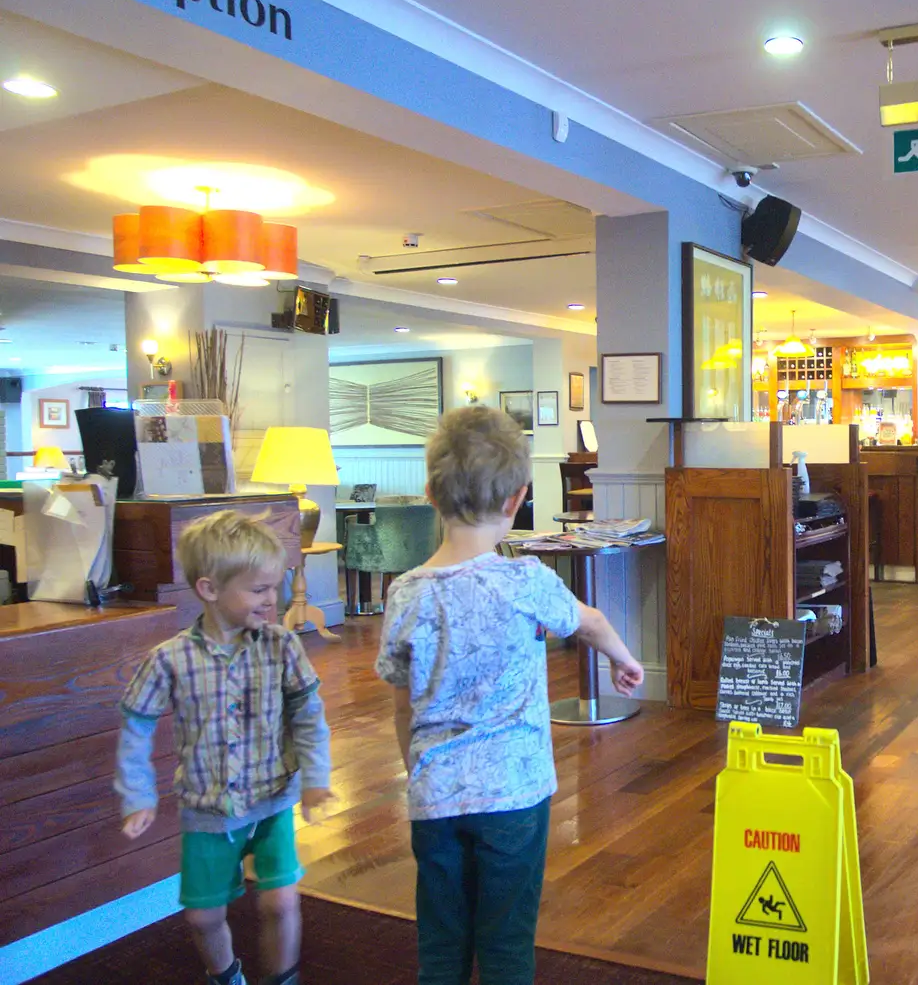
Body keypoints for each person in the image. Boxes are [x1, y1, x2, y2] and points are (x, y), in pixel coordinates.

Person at [375, 405, 645, 984]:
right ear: (517, 499)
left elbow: (402, 707)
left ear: (429, 492)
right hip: (515, 795)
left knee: (441, 945)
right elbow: (590, 622)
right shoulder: (526, 579)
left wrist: (420, 770)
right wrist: (623, 659)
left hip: (435, 796)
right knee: (505, 945)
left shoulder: (404, 594)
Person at [116, 510, 333, 985]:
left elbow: (309, 715)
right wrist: (137, 794)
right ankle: (226, 975)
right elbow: (136, 725)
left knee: (280, 900)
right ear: (210, 590)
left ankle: (282, 978)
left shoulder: (282, 646)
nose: (271, 600)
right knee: (203, 917)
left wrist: (316, 779)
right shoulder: (169, 660)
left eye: (274, 587)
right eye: (258, 590)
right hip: (207, 809)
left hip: (272, 799)